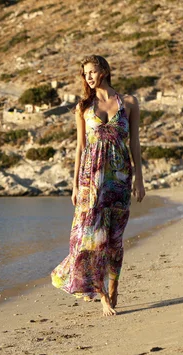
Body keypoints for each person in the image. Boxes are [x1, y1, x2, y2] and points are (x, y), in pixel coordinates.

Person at [50, 55, 145, 316]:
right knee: (91, 237)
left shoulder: (129, 103)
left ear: (104, 70)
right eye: (85, 74)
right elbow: (80, 147)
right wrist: (74, 186)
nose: (88, 77)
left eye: (92, 71)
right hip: (91, 180)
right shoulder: (84, 107)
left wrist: (139, 178)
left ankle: (114, 288)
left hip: (120, 179)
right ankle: (101, 293)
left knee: (114, 239)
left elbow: (134, 143)